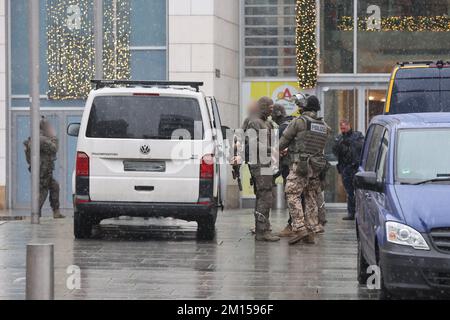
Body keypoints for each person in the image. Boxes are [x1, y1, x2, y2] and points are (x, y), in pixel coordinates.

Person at [279, 96, 330, 245]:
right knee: (310, 196)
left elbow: (283, 141)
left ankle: (300, 227)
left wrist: (278, 150)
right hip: (316, 166)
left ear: (304, 107)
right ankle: (311, 229)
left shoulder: (299, 122)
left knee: (292, 193)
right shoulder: (324, 125)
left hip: (301, 165)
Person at [246, 97, 280, 242]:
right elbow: (253, 143)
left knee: (267, 195)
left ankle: (264, 227)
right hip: (259, 164)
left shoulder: (268, 123)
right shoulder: (254, 122)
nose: (272, 111)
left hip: (267, 164)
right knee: (265, 195)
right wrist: (271, 150)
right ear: (264, 107)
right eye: (270, 108)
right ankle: (261, 231)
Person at [24, 117, 65, 219]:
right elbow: (54, 149)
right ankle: (36, 213)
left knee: (54, 186)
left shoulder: (37, 137)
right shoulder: (41, 139)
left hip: (43, 169)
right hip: (43, 170)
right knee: (43, 191)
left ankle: (56, 212)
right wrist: (54, 137)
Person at [332, 120, 365, 221]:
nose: (343, 130)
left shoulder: (357, 135)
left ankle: (361, 213)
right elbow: (335, 151)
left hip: (356, 168)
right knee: (350, 192)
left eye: (344, 127)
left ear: (349, 126)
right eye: (341, 128)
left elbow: (361, 147)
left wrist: (350, 142)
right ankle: (351, 213)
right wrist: (341, 144)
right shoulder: (339, 138)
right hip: (346, 168)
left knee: (359, 192)